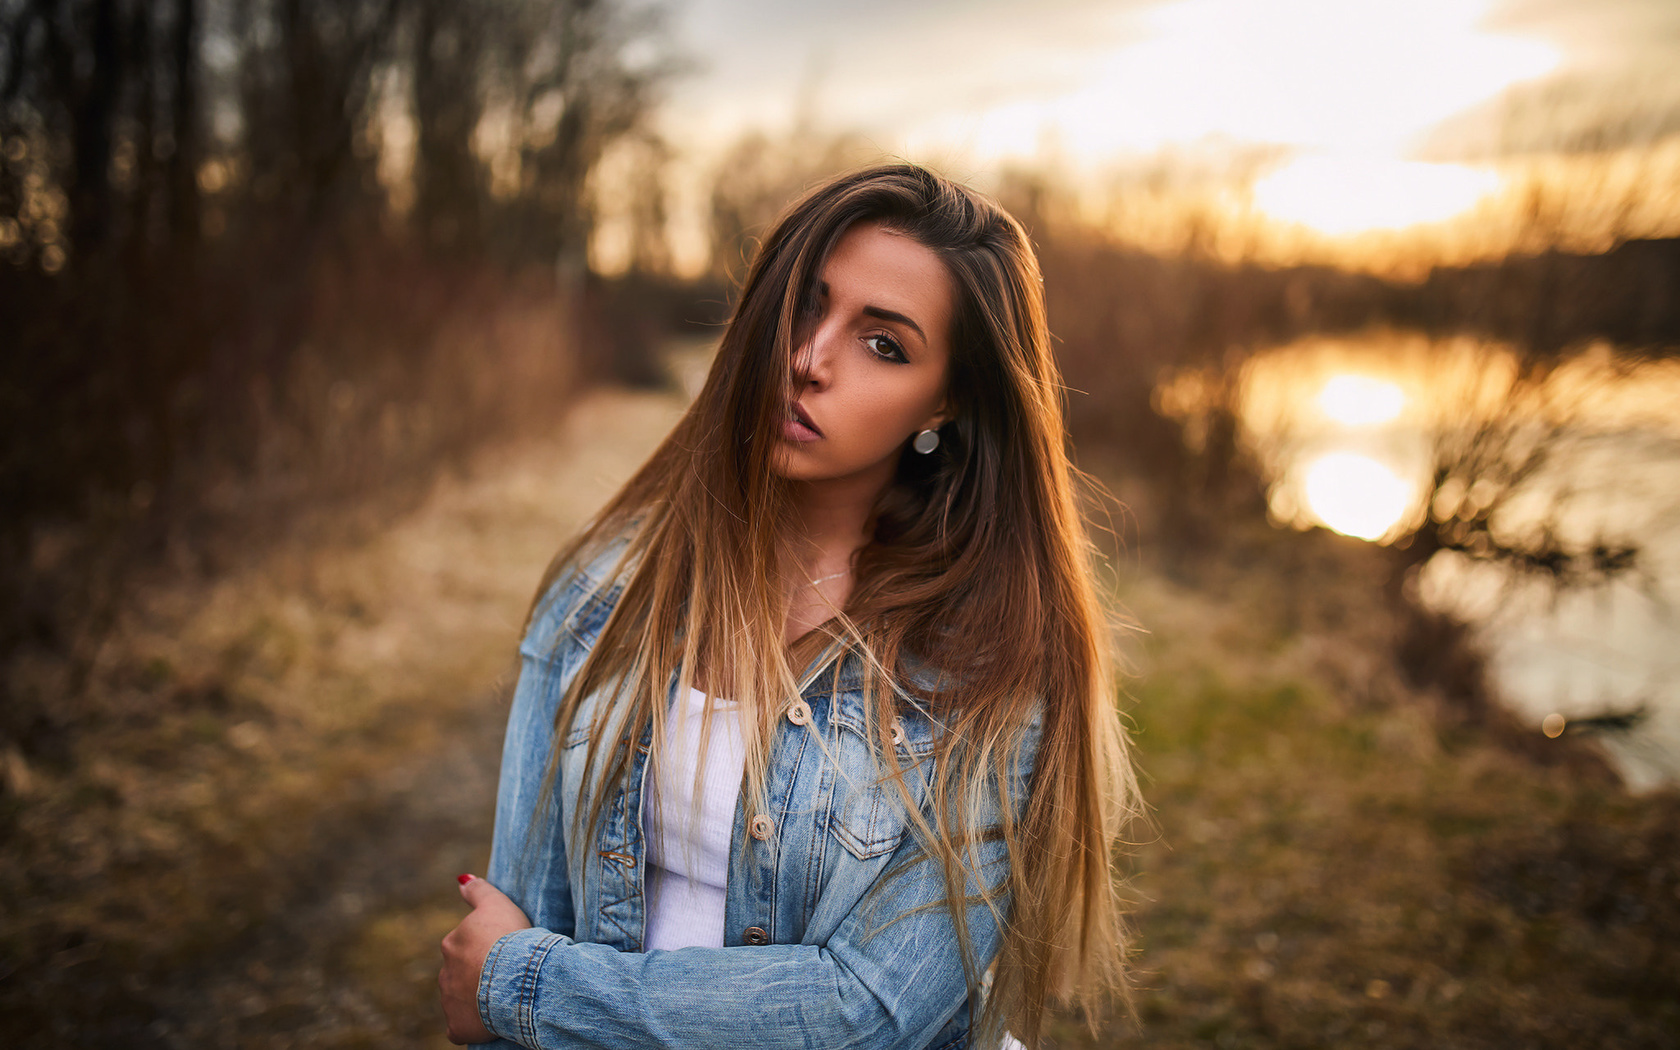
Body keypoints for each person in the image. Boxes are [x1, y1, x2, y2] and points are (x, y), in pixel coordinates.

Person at [437, 163, 1139, 1049]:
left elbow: (866, 1014)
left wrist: (532, 990)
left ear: (949, 401)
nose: (809, 358)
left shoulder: (983, 662)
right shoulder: (603, 590)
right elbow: (513, 917)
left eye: (884, 344)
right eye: (807, 305)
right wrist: (512, 986)